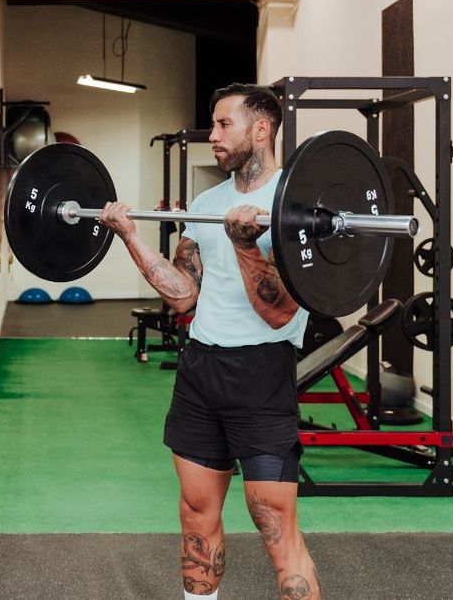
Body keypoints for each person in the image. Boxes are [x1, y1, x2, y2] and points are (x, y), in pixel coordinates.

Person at [99, 83, 320, 600]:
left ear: (261, 129)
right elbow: (183, 294)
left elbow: (279, 313)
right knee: (197, 517)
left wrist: (246, 246)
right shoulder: (206, 202)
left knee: (274, 528)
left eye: (224, 125)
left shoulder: (297, 205)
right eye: (213, 125)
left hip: (262, 372)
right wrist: (130, 236)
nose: (213, 136)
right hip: (201, 371)